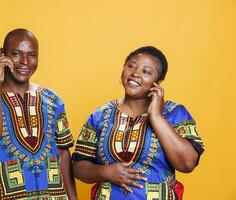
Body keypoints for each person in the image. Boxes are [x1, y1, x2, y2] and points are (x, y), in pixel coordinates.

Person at [72, 46, 204, 200]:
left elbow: (187, 164)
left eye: (146, 72)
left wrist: (156, 116)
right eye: (131, 66)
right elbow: (77, 167)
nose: (135, 73)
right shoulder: (100, 116)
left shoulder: (174, 113)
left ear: (157, 82)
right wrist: (106, 172)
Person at [0, 28, 77, 200]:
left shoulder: (53, 100)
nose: (25, 61)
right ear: (2, 54)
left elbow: (63, 155)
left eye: (32, 55)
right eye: (16, 54)